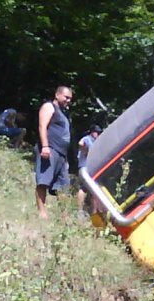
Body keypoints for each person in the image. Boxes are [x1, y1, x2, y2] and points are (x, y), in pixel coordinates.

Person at [35, 85, 74, 220]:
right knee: (43, 181)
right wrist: (45, 146)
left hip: (61, 155)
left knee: (63, 186)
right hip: (50, 149)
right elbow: (42, 126)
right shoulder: (49, 107)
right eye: (66, 97)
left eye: (70, 99)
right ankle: (42, 212)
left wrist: (65, 158)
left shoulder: (64, 113)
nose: (68, 100)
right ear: (57, 95)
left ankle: (64, 216)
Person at [76, 124, 102, 213]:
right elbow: (81, 143)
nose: (98, 134)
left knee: (93, 191)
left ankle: (94, 213)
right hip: (85, 168)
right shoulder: (87, 138)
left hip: (90, 168)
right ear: (92, 132)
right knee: (84, 189)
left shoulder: (96, 141)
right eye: (97, 132)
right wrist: (86, 150)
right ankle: (79, 211)